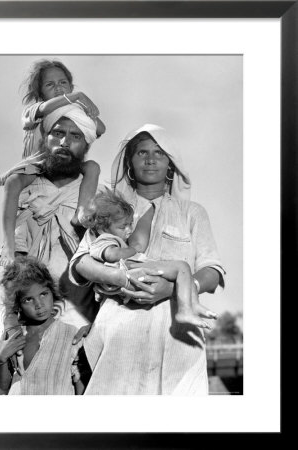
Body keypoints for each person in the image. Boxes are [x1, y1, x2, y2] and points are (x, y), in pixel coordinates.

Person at [69, 124, 226, 395]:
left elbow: (212, 270)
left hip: (177, 333)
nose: (151, 159)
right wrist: (121, 277)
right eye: (142, 152)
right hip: (119, 329)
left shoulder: (192, 212)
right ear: (130, 161)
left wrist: (175, 288)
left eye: (159, 153)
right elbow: (82, 262)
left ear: (170, 164)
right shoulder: (109, 209)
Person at [0, 105, 99, 394]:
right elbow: (12, 264)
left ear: (86, 144)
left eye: (75, 135)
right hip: (22, 315)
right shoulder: (25, 187)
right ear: (45, 139)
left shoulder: (95, 195)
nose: (64, 142)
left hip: (79, 312)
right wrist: (14, 321)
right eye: (58, 133)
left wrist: (100, 323)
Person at [0, 59, 106, 266]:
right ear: (40, 92)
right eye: (50, 85)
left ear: (70, 84)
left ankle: (81, 212)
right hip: (37, 166)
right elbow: (45, 108)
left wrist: (82, 107)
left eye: (63, 83)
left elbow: (99, 129)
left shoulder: (72, 111)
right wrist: (75, 97)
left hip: (66, 162)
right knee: (13, 182)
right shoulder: (35, 109)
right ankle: (9, 244)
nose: (58, 88)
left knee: (93, 167)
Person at [80, 188, 216, 328]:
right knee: (182, 267)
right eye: (123, 227)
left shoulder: (109, 237)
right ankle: (185, 309)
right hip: (130, 268)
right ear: (102, 228)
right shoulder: (103, 239)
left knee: (182, 271)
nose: (129, 230)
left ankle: (192, 305)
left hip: (129, 271)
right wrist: (132, 250)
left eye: (130, 224)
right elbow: (111, 254)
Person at [0, 256, 91, 395]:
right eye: (28, 299)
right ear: (18, 305)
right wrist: (1, 359)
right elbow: (3, 386)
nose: (39, 305)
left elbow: (80, 384)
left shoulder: (71, 335)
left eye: (43, 294)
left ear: (52, 292)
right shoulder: (13, 337)